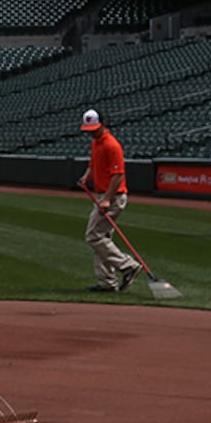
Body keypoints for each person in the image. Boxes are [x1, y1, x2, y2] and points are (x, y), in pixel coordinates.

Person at [77, 109, 141, 293]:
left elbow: (118, 175)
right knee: (102, 238)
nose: (91, 132)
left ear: (103, 124)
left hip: (113, 197)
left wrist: (106, 200)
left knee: (93, 236)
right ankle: (107, 282)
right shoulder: (96, 143)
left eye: (94, 128)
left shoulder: (112, 145)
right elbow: (93, 163)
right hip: (103, 195)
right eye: (89, 129)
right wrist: (86, 177)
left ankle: (128, 266)